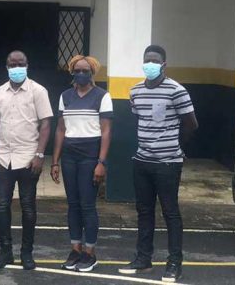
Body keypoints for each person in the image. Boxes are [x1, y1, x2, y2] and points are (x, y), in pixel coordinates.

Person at [118, 45, 198, 283]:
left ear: (164, 64)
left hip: (167, 163)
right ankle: (143, 259)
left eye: (154, 60)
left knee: (170, 212)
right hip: (142, 160)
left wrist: (177, 146)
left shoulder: (177, 90)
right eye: (147, 60)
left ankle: (175, 263)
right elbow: (139, 120)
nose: (150, 64)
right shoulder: (136, 91)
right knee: (144, 211)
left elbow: (191, 124)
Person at [0, 50, 53, 270]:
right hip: (3, 158)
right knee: (1, 206)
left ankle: (26, 253)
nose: (16, 67)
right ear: (6, 66)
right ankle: (5, 251)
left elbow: (46, 124)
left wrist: (40, 154)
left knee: (28, 207)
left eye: (20, 63)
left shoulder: (38, 91)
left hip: (28, 158)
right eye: (12, 64)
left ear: (27, 65)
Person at [51, 54, 112, 273]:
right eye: (77, 70)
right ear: (72, 72)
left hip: (90, 156)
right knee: (73, 205)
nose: (81, 74)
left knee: (88, 205)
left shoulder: (102, 96)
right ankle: (75, 249)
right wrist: (55, 161)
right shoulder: (65, 96)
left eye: (86, 70)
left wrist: (101, 162)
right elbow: (60, 129)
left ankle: (90, 253)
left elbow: (106, 131)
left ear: (92, 73)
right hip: (69, 156)